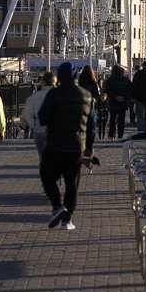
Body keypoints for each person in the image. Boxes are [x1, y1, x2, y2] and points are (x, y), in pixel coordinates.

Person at [38, 61, 93, 231]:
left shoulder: (54, 94)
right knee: (71, 184)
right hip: (77, 146)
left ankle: (57, 206)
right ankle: (67, 220)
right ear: (76, 76)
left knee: (47, 177)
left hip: (55, 143)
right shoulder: (87, 96)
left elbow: (43, 117)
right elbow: (92, 124)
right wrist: (89, 147)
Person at [22, 71, 56, 154]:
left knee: (43, 157)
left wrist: (35, 126)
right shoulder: (60, 94)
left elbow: (27, 114)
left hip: (39, 130)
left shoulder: (34, 96)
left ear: (43, 82)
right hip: (56, 131)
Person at [77, 65, 102, 168]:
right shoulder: (93, 83)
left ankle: (80, 148)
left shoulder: (79, 82)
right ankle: (89, 148)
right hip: (90, 106)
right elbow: (97, 95)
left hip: (79, 107)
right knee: (91, 128)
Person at [103, 64, 131, 139]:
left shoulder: (110, 80)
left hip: (113, 102)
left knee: (112, 119)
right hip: (123, 103)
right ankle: (120, 136)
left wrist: (115, 97)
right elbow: (130, 91)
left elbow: (107, 90)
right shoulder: (126, 80)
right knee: (121, 120)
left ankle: (111, 134)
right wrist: (124, 97)